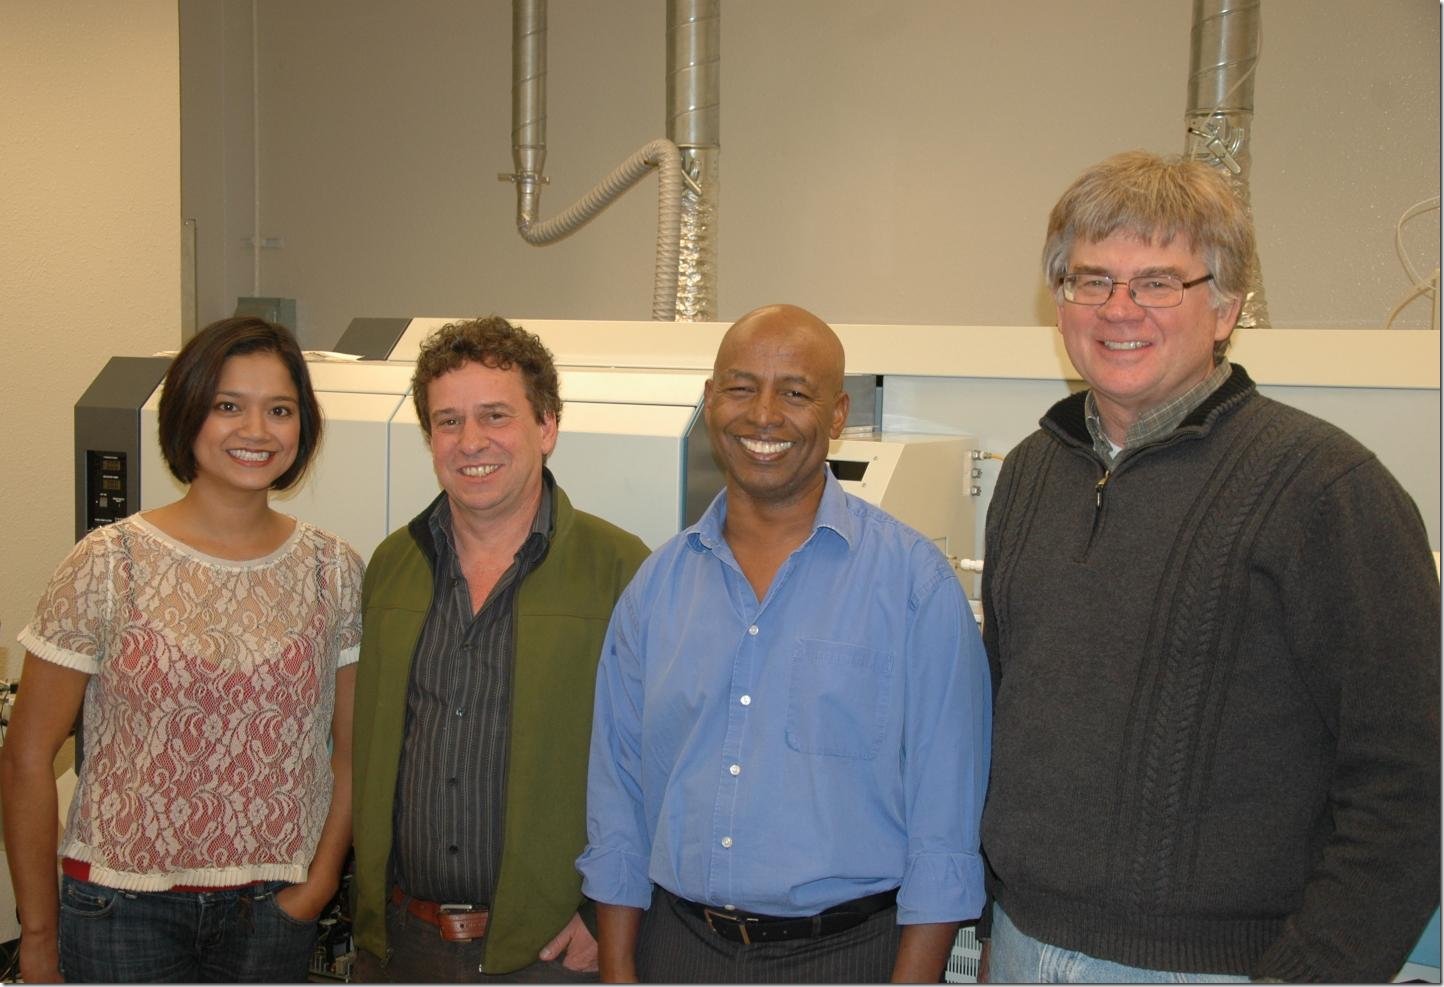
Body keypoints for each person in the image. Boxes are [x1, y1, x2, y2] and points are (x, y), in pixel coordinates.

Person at [979, 150, 1441, 983]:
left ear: (1225, 308)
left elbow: (1411, 785)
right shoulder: (1029, 474)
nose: (1121, 309)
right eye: (1092, 280)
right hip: (1019, 946)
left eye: (1160, 282)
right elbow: (1003, 718)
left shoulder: (1326, 490)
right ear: (1061, 304)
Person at [579, 303, 992, 983]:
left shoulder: (915, 587)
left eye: (795, 392)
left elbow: (944, 830)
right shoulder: (656, 589)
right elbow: (618, 805)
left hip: (849, 955)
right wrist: (619, 969)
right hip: (679, 950)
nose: (763, 415)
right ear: (710, 401)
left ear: (836, 415)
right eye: (741, 387)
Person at [0, 317, 363, 983]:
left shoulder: (333, 569)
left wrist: (315, 888)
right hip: (119, 909)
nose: (256, 430)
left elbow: (352, 749)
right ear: (188, 413)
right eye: (229, 405)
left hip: (272, 909)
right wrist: (39, 932)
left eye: (279, 409)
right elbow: (26, 756)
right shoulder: (108, 563)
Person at [349, 316, 650, 982]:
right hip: (403, 944)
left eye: (495, 415)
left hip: (547, 952)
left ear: (546, 426)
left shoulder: (622, 569)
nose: (470, 442)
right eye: (448, 421)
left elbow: (661, 760)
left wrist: (607, 915)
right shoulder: (392, 566)